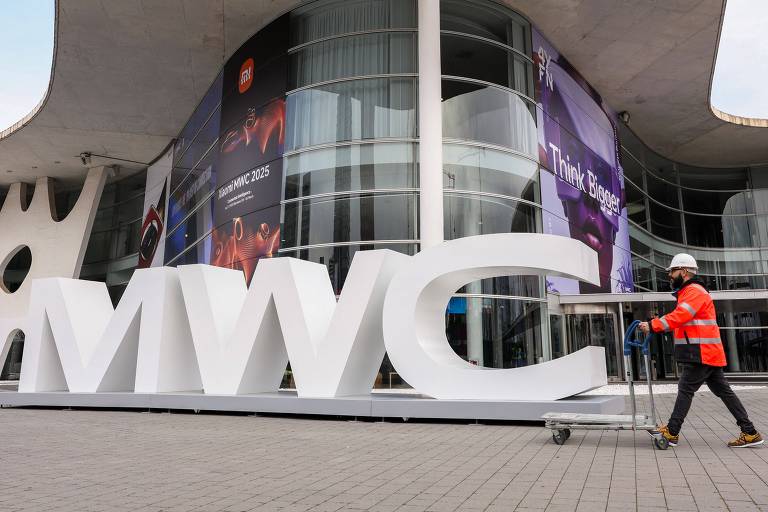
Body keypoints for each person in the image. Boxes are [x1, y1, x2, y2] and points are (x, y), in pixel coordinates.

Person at [638, 253, 762, 448]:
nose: (670, 275)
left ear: (684, 271)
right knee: (725, 393)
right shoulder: (692, 291)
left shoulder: (694, 291)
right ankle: (750, 432)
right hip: (707, 352)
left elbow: (680, 316)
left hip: (701, 353)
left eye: (673, 271)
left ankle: (672, 432)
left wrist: (653, 325)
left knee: (686, 390)